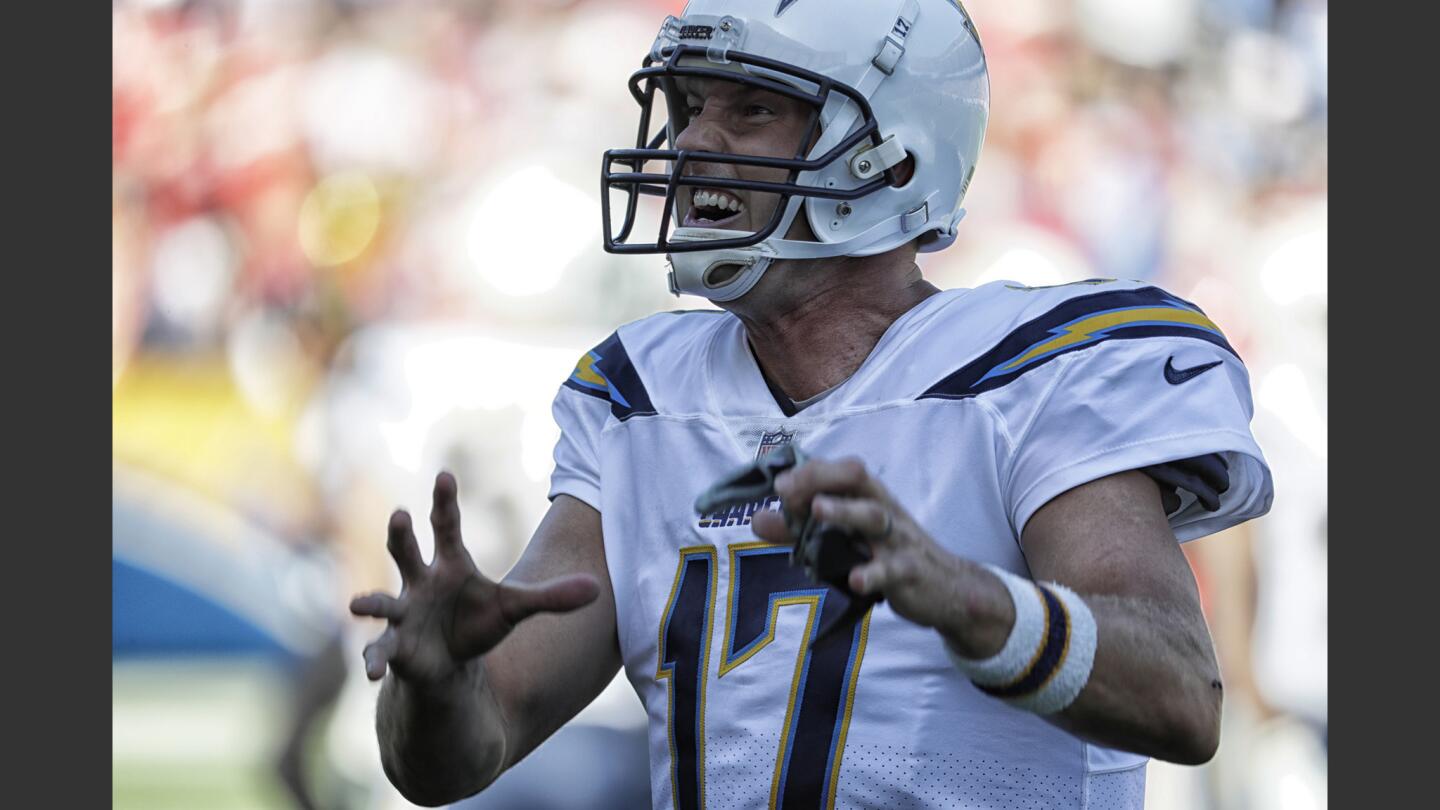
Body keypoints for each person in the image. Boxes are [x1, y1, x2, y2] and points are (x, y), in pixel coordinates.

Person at [348, 1, 1274, 807]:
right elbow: (456, 758)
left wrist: (966, 598)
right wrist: (437, 682)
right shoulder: (641, 400)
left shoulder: (1036, 376)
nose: (695, 144)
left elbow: (1183, 694)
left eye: (752, 110)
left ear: (892, 158)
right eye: (691, 107)